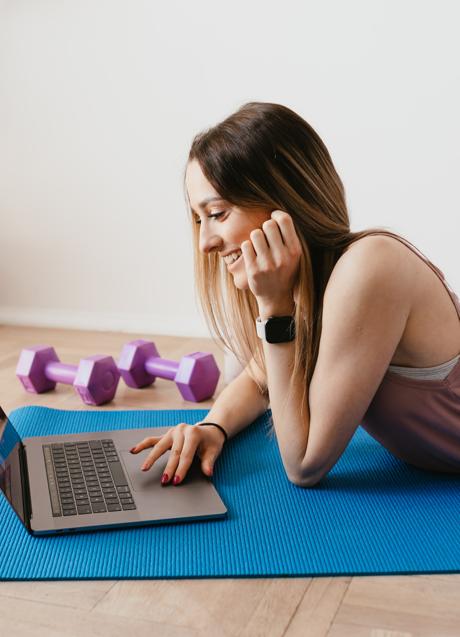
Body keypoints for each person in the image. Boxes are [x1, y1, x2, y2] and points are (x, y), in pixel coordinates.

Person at [130, 102, 460, 487]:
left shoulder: (371, 266)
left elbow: (304, 464)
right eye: (198, 218)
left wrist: (273, 309)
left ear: (285, 202)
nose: (205, 242)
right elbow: (258, 377)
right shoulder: (318, 285)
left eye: (218, 214)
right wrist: (213, 426)